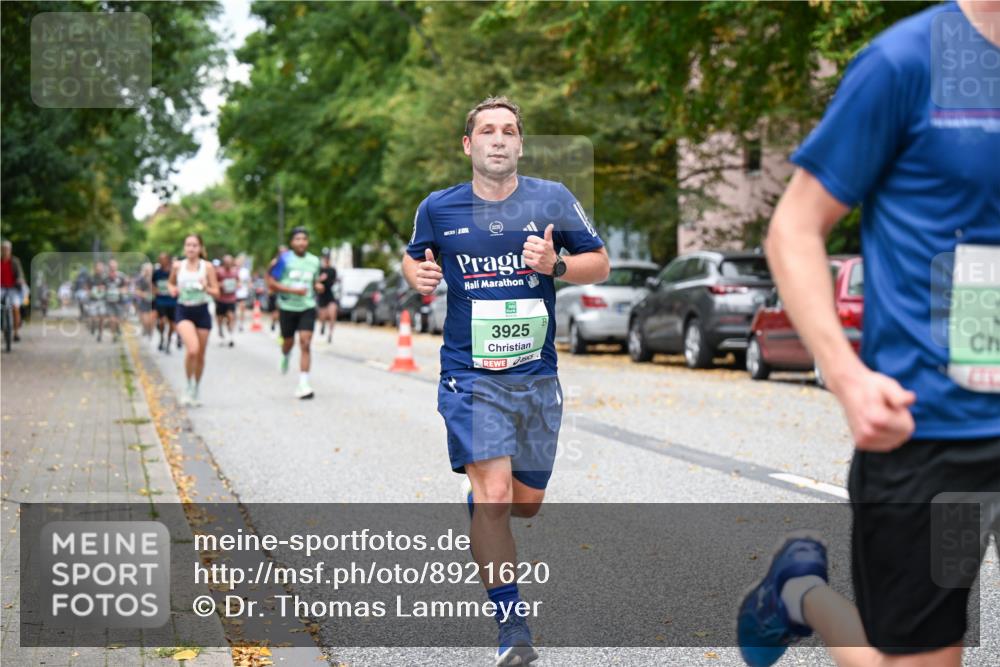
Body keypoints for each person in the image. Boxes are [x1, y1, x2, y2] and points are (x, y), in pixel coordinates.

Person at [737, 3, 1000, 667]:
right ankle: (800, 594)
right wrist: (847, 374)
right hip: (932, 433)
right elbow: (794, 227)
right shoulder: (905, 62)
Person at [402, 96, 609, 666]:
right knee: (495, 496)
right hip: (470, 374)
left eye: (509, 131)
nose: (499, 139)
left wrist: (555, 265)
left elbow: (600, 262)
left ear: (520, 144)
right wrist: (417, 271)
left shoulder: (553, 199)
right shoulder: (439, 208)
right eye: (487, 131)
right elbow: (415, 256)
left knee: (524, 505)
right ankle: (513, 628)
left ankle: (482, 496)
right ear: (468, 145)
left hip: (536, 376)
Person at [268, 228, 323, 399]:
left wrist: (317, 287)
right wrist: (292, 290)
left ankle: (303, 383)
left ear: (307, 242)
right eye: (297, 239)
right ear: (292, 242)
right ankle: (285, 354)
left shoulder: (314, 261)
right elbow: (271, 283)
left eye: (304, 239)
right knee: (288, 342)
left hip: (307, 307)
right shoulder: (284, 259)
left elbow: (314, 282)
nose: (301, 242)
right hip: (287, 307)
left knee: (305, 343)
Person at [168, 235, 220, 406]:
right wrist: (173, 290)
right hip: (184, 311)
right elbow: (170, 283)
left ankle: (196, 387)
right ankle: (188, 386)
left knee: (200, 356)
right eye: (188, 245)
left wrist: (206, 287)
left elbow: (216, 292)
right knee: (192, 350)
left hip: (202, 311)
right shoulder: (178, 266)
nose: (191, 248)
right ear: (184, 248)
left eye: (194, 245)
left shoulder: (208, 267)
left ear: (200, 248)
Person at [153, 253, 178, 354]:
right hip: (161, 300)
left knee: (173, 325)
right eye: (160, 259)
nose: (162, 261)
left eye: (164, 259)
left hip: (172, 301)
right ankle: (162, 337)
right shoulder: (156, 273)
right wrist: (155, 290)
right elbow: (152, 283)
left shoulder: (173, 272)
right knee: (162, 321)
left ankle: (168, 341)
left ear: (168, 260)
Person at [0, 241, 25, 342]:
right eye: (3, 249)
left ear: (10, 250)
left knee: (15, 307)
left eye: (7, 249)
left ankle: (16, 332)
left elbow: (20, 273)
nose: (5, 251)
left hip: (13, 288)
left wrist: (20, 279)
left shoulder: (15, 261)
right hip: (1, 287)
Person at [214, 254, 239, 347]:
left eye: (230, 262)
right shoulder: (219, 271)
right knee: (220, 319)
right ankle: (221, 334)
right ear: (224, 263)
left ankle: (230, 336)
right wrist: (221, 285)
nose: (228, 264)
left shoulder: (235, 271)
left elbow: (238, 281)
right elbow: (214, 282)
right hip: (221, 299)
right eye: (226, 262)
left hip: (231, 299)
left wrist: (237, 284)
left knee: (231, 317)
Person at [104, 259, 128, 343]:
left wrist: (120, 290)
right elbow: (101, 287)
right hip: (109, 302)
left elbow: (126, 287)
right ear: (108, 267)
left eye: (114, 266)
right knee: (111, 320)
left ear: (117, 266)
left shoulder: (121, 276)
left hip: (119, 302)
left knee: (118, 320)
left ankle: (118, 329)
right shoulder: (105, 277)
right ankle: (113, 336)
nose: (112, 267)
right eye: (111, 266)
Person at [316, 253, 338, 343]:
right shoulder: (319, 270)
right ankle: (323, 325)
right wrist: (320, 279)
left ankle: (330, 334)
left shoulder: (332, 270)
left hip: (330, 294)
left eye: (328, 258)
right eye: (325, 258)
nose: (326, 260)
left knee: (333, 313)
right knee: (322, 315)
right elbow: (315, 281)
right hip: (321, 295)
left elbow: (334, 281)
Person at [268, 244, 287, 333]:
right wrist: (270, 287)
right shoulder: (275, 262)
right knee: (276, 309)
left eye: (285, 251)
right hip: (276, 290)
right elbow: (269, 275)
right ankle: (274, 322)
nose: (283, 253)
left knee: (281, 309)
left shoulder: (290, 262)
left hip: (286, 290)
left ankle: (280, 325)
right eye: (282, 252)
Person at [89, 261, 108, 342]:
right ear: (95, 268)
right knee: (93, 317)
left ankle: (100, 335)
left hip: (102, 300)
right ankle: (93, 325)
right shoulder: (91, 278)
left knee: (101, 318)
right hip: (93, 300)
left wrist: (103, 288)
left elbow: (108, 287)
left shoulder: (105, 278)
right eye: (98, 267)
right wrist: (91, 291)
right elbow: (87, 288)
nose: (99, 269)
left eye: (101, 267)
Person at [135, 263, 155, 339]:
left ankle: (150, 332)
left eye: (150, 270)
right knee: (146, 321)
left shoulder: (154, 278)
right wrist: (144, 294)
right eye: (147, 270)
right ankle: (146, 329)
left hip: (153, 303)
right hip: (144, 302)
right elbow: (137, 291)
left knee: (151, 320)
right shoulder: (140, 279)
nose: (148, 271)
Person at [235, 255, 251, 332]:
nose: (239, 263)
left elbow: (249, 281)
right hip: (233, 293)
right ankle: (233, 321)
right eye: (238, 262)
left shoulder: (245, 271)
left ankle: (241, 324)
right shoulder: (233, 270)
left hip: (242, 292)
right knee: (233, 309)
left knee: (242, 307)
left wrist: (249, 287)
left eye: (240, 262)